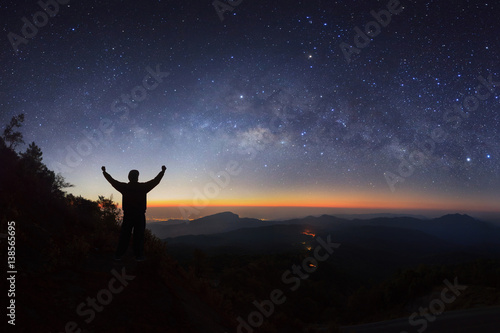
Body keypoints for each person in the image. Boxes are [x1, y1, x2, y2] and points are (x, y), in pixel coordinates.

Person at [101, 165, 166, 261]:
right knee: (139, 236)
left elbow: (112, 181)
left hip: (128, 216)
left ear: (129, 177)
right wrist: (162, 171)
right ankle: (138, 256)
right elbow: (156, 181)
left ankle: (118, 255)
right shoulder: (143, 187)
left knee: (125, 235)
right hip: (140, 215)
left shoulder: (125, 187)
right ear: (137, 177)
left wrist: (104, 172)